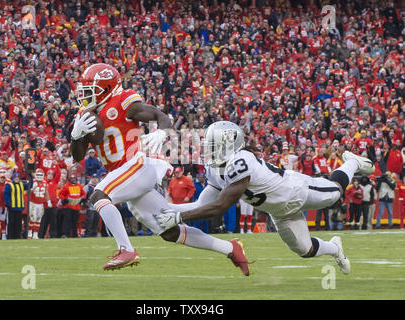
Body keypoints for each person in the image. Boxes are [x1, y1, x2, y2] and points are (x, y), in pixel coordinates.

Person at [71, 64, 250, 275]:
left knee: (99, 195)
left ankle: (126, 250)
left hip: (136, 164)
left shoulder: (123, 103)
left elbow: (160, 116)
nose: (86, 95)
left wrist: (163, 133)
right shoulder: (86, 114)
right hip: (122, 173)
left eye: (92, 90)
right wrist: (75, 137)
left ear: (108, 88)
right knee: (169, 230)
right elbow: (78, 155)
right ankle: (230, 248)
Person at [157, 121, 377, 275]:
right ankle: (334, 248)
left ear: (229, 145)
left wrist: (178, 216)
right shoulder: (215, 169)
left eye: (214, 145)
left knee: (336, 191)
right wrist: (170, 209)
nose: (209, 150)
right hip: (278, 211)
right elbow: (205, 203)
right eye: (209, 145)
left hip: (295, 191)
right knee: (305, 250)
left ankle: (352, 162)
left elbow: (220, 206)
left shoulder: (240, 161)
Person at [58, 173, 87, 238]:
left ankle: (74, 234)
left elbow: (83, 194)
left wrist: (82, 198)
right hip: (68, 206)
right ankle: (65, 234)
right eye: (71, 178)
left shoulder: (79, 186)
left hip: (76, 206)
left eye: (74, 178)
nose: (73, 180)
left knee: (75, 222)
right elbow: (61, 194)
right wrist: (64, 199)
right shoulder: (66, 186)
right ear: (69, 179)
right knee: (67, 221)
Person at [4, 172, 29, 239]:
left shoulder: (21, 184)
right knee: (11, 222)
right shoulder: (9, 185)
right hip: (12, 207)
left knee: (18, 223)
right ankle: (10, 236)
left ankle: (17, 236)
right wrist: (8, 203)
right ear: (13, 178)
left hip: (19, 207)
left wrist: (30, 176)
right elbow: (6, 195)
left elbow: (29, 186)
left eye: (18, 178)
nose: (17, 179)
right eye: (15, 178)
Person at [28, 169, 52, 239]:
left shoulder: (45, 182)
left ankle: (35, 234)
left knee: (38, 219)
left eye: (40, 175)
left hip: (40, 204)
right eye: (37, 175)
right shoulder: (32, 181)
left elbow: (46, 192)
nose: (39, 176)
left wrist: (48, 201)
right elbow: (27, 193)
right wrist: (32, 188)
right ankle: (29, 233)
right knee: (32, 218)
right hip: (33, 203)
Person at [38, 170, 59, 238]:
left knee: (53, 222)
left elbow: (58, 173)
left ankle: (53, 235)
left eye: (51, 174)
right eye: (49, 174)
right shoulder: (44, 182)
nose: (50, 175)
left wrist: (56, 166)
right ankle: (41, 235)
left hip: (53, 205)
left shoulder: (55, 182)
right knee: (44, 222)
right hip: (44, 205)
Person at [0, 167, 11, 240]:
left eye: (4, 172)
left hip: (5, 204)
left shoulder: (9, 182)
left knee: (4, 220)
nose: (2, 175)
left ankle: (4, 234)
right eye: (0, 172)